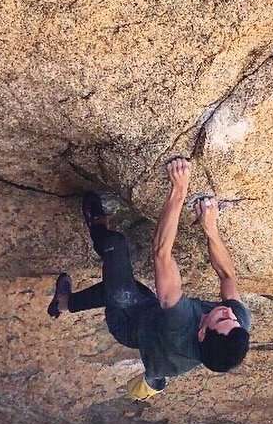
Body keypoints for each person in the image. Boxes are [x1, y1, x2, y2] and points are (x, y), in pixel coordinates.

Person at [47, 157, 251, 399]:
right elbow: (227, 275)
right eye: (233, 320)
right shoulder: (236, 326)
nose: (228, 313)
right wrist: (211, 229)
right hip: (158, 337)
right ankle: (62, 303)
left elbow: (161, 254)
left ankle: (98, 227)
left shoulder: (181, 323)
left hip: (130, 323)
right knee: (118, 286)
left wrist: (179, 190)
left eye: (221, 319)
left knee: (117, 260)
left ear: (202, 333)